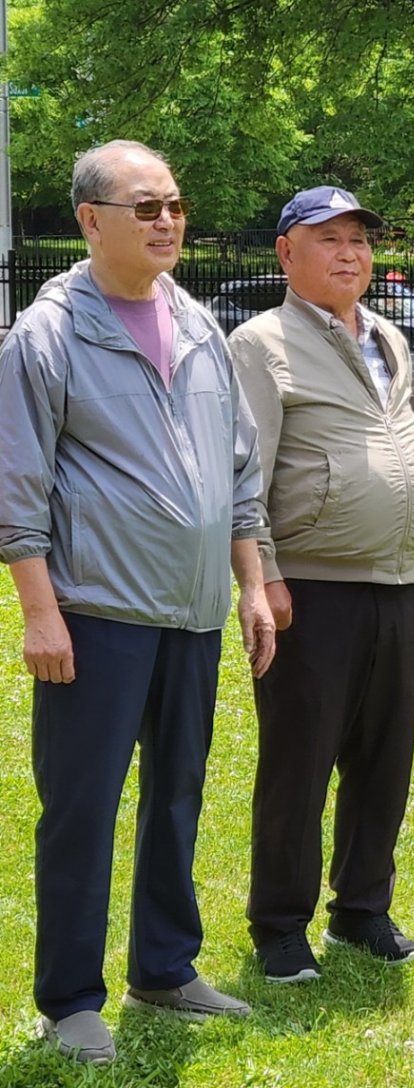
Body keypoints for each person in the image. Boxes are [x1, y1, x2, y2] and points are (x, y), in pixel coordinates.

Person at [0, 141, 275, 1064]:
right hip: (97, 614)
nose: (168, 221)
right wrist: (41, 612)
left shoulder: (197, 322)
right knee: (82, 806)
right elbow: (16, 486)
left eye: (176, 205)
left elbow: (238, 467)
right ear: (91, 220)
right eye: (146, 206)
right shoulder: (45, 335)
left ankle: (164, 967)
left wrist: (250, 583)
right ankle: (70, 1000)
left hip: (192, 611)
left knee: (178, 793)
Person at [229, 185, 414, 984]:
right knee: (299, 762)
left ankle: (362, 909)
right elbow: (244, 474)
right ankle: (280, 925)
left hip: (397, 583)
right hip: (309, 591)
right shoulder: (261, 343)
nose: (351, 253)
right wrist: (265, 576)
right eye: (330, 239)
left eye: (360, 239)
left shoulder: (387, 336)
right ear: (287, 253)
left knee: (384, 760)